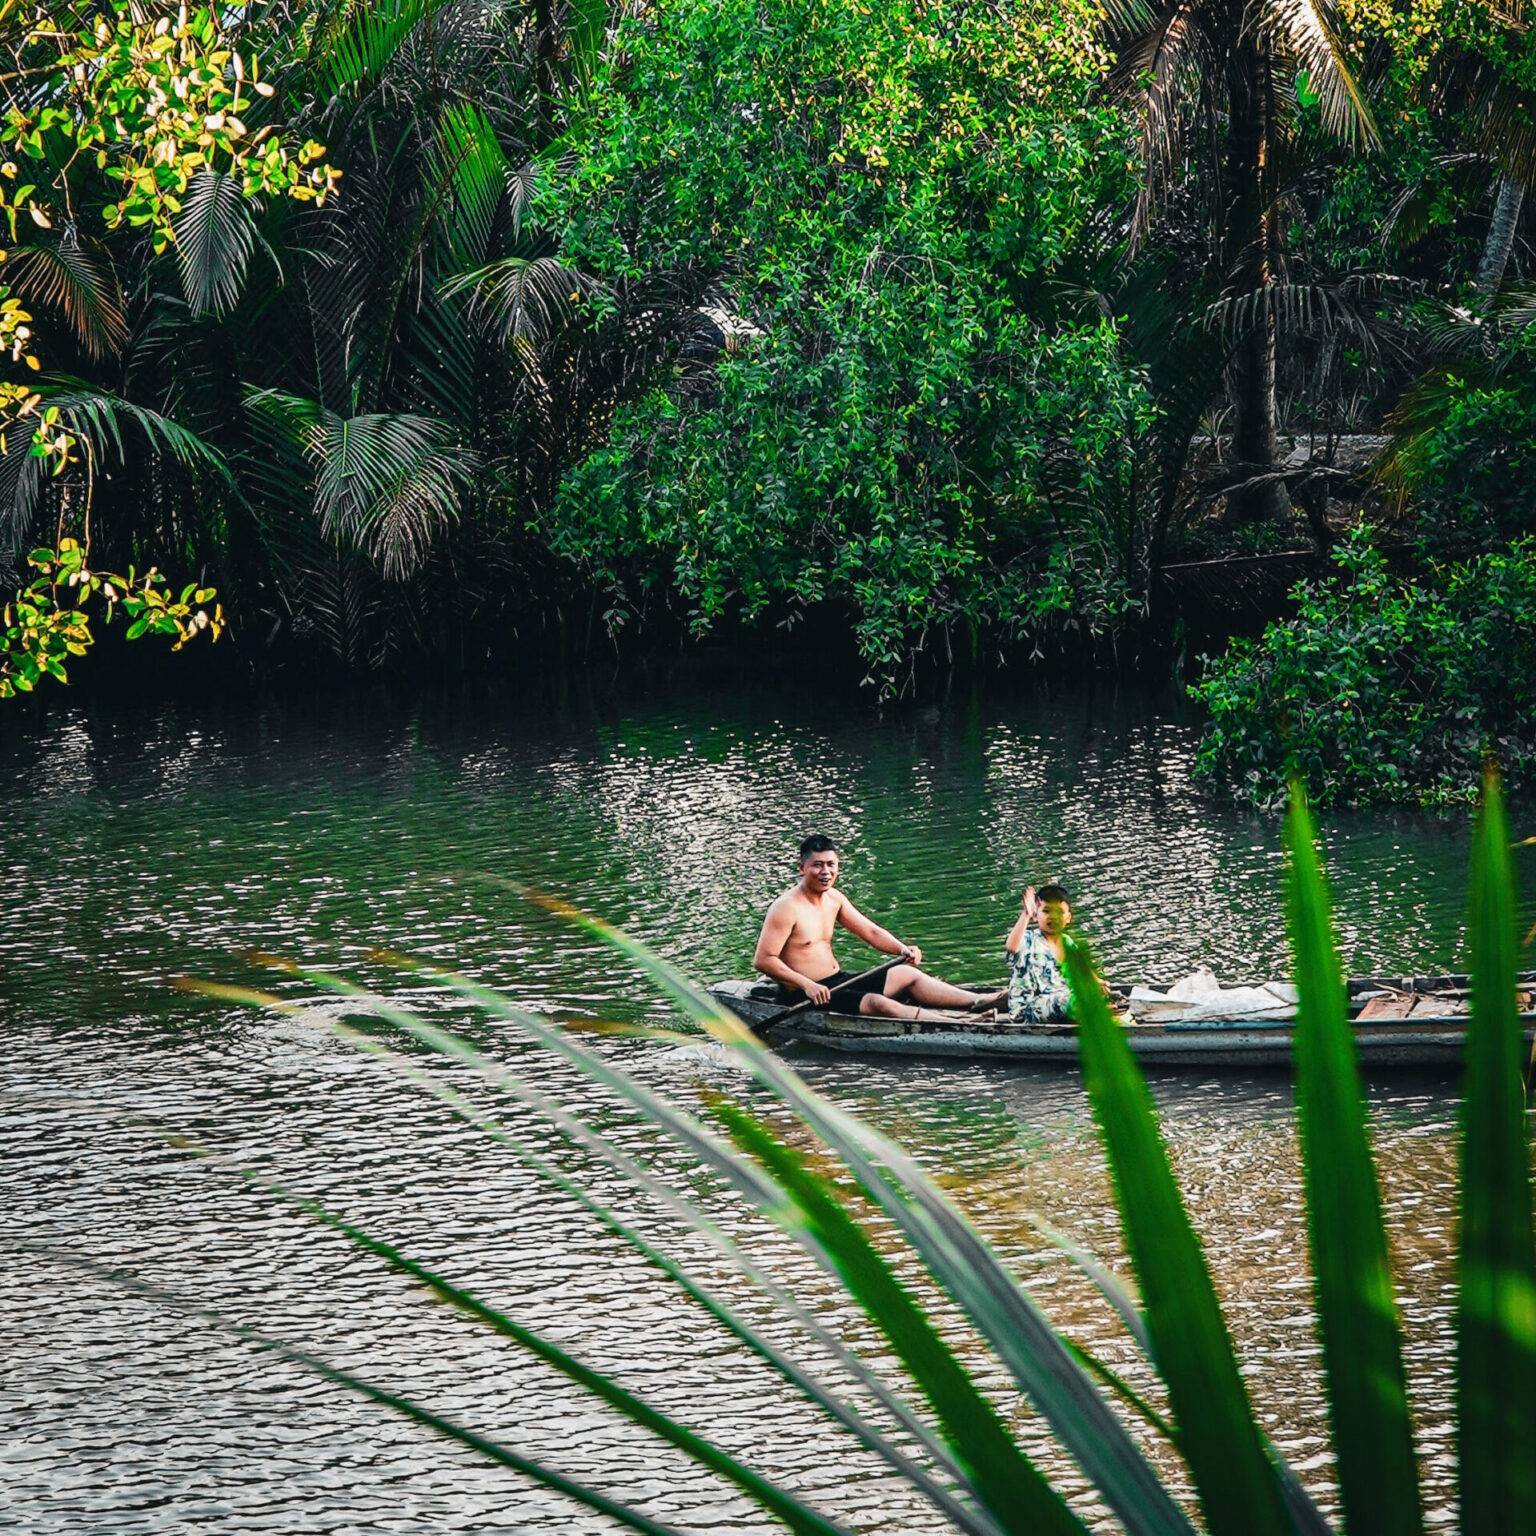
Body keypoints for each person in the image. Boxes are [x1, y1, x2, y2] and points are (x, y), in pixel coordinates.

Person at [754, 835, 1005, 1019]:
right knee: (876, 1003)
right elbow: (764, 960)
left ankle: (979, 1001)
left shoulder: (834, 898)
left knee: (907, 974)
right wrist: (806, 984)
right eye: (817, 865)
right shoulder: (786, 907)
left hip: (837, 981)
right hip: (804, 993)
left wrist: (902, 950)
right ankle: (960, 1022)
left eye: (831, 864)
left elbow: (871, 932)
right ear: (802, 868)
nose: (825, 871)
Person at [1004, 883, 1077, 1024]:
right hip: (1030, 1008)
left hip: (1060, 1000)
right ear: (1036, 915)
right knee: (1075, 1003)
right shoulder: (1029, 939)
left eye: (1059, 912)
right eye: (1047, 911)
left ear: (1068, 918)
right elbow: (1012, 947)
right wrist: (1026, 914)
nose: (1053, 917)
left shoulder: (1067, 943)